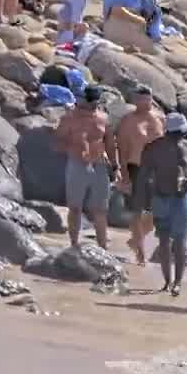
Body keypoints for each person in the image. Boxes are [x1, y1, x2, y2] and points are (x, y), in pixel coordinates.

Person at [139, 113, 187, 295]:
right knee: (164, 241)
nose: (184, 135)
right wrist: (144, 201)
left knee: (180, 242)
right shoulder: (153, 148)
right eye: (181, 132)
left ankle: (178, 283)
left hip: (181, 200)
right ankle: (167, 281)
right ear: (172, 132)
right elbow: (144, 174)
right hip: (160, 198)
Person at [56, 86, 114, 251]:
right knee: (75, 207)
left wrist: (114, 165)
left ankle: (103, 248)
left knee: (100, 210)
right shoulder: (69, 118)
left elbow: (110, 143)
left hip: (100, 166)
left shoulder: (103, 118)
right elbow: (58, 142)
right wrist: (75, 148)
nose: (93, 105)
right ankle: (74, 245)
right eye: (90, 102)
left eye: (96, 102)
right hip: (77, 164)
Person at [113, 86, 165, 266]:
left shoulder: (159, 120)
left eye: (149, 99)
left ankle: (137, 239)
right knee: (136, 213)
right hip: (136, 169)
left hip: (156, 171)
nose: (146, 103)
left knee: (157, 214)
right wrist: (123, 175)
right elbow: (122, 149)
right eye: (141, 99)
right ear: (136, 100)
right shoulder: (128, 121)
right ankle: (141, 253)